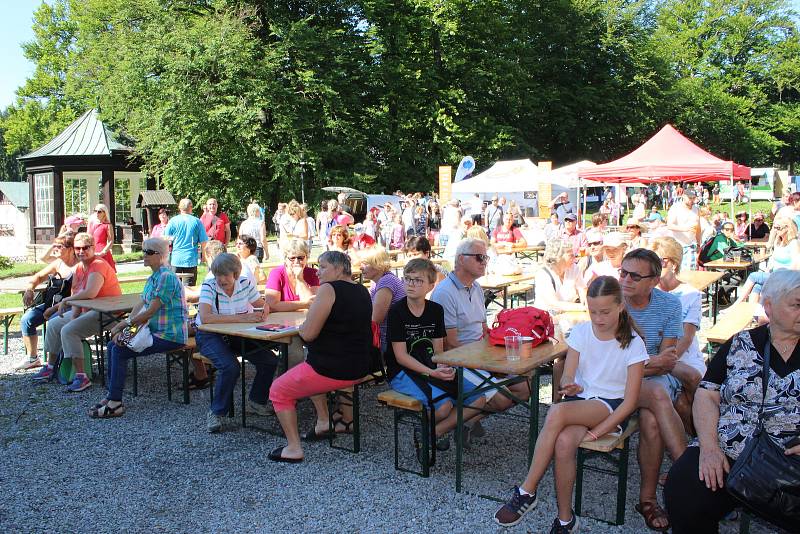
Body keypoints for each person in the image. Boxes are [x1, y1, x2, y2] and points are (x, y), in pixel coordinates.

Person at [494, 276, 648, 531]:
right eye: (593, 311)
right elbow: (567, 374)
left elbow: (630, 402)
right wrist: (569, 384)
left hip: (610, 407)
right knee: (564, 443)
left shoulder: (633, 343)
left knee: (555, 412)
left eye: (605, 312)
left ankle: (527, 490)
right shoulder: (581, 331)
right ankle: (566, 519)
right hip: (581, 402)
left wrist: (601, 430)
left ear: (621, 306)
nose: (598, 318)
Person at [664, 270, 800, 533]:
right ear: (769, 307)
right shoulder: (740, 344)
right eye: (797, 305)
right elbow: (706, 393)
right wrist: (709, 447)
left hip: (790, 459)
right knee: (684, 490)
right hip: (731, 449)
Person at [267, 251, 372, 462]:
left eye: (323, 267)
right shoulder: (362, 289)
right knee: (307, 367)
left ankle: (293, 448)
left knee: (278, 390)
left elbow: (308, 333)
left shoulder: (328, 289)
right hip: (361, 366)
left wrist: (303, 327)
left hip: (334, 369)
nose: (317, 271)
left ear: (339, 268)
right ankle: (324, 421)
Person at [431, 238, 529, 437]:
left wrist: (495, 358)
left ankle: (465, 423)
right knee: (502, 399)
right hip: (458, 360)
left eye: (485, 257)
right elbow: (450, 344)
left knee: (525, 387)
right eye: (479, 257)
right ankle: (445, 428)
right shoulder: (444, 293)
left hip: (479, 356)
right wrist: (487, 364)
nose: (484, 261)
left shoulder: (476, 288)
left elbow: (484, 330)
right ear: (460, 260)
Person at [387, 258, 487, 450]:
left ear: (431, 286)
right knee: (443, 407)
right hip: (402, 371)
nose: (411, 284)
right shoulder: (397, 311)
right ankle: (429, 432)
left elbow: (438, 350)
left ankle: (431, 434)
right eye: (407, 279)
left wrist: (442, 367)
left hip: (430, 364)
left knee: (478, 398)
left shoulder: (434, 310)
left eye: (418, 280)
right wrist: (433, 372)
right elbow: (400, 357)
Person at [619, 248, 684, 531]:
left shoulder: (669, 305)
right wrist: (649, 362)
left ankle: (647, 500)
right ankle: (691, 476)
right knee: (657, 398)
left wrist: (640, 365)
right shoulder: (613, 300)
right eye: (623, 272)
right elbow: (610, 362)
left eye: (634, 275)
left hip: (651, 378)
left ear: (654, 281)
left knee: (651, 418)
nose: (625, 280)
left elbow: (668, 361)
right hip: (618, 383)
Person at [89, 238, 188, 418]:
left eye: (148, 252)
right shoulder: (154, 277)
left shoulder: (166, 277)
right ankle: (113, 395)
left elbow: (150, 311)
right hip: (153, 331)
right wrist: (126, 327)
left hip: (170, 335)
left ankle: (115, 403)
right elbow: (141, 304)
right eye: (144, 251)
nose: (144, 255)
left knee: (119, 350)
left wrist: (124, 325)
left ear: (160, 256)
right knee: (113, 346)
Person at [33, 233, 122, 392]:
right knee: (54, 324)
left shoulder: (98, 264)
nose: (81, 251)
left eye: (85, 248)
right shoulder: (79, 268)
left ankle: (82, 377)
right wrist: (70, 312)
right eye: (77, 248)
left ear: (93, 248)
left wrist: (65, 302)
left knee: (69, 331)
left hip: (107, 313)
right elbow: (76, 295)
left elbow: (90, 292)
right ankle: (50, 367)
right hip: (88, 311)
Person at [195, 253, 273, 433]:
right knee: (230, 367)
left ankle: (256, 401)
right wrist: (244, 318)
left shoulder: (245, 283)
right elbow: (205, 318)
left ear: (236, 274)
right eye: (218, 275)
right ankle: (216, 412)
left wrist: (262, 312)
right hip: (209, 335)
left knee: (269, 360)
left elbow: (262, 304)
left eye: (225, 275)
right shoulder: (209, 286)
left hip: (237, 334)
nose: (221, 279)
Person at [650, 237, 708, 434]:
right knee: (680, 402)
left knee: (692, 379)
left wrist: (666, 359)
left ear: (672, 263)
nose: (653, 266)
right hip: (656, 355)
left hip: (684, 356)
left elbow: (686, 338)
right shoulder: (647, 292)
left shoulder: (691, 294)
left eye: (659, 260)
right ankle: (695, 436)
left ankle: (700, 428)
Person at [16, 234, 79, 370]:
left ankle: (55, 362)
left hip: (67, 306)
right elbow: (38, 276)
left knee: (54, 322)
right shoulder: (58, 263)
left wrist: (54, 308)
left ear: (70, 249)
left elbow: (77, 296)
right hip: (50, 303)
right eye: (54, 245)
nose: (54, 249)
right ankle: (32, 358)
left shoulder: (79, 266)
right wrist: (29, 289)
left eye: (58, 246)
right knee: (27, 319)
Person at [734, 217, 800, 305]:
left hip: (786, 278)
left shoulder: (794, 243)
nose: (776, 230)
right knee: (757, 285)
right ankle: (753, 313)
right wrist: (767, 270)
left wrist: (787, 279)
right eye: (775, 227)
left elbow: (796, 264)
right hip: (774, 274)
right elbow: (772, 259)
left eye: (778, 228)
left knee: (753, 276)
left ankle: (736, 305)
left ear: (787, 228)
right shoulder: (778, 241)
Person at [358, 246, 406, 352]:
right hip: (390, 337)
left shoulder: (386, 281)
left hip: (390, 340)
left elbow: (376, 319)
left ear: (378, 264)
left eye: (365, 263)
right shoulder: (379, 281)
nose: (361, 267)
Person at [264, 239, 319, 312]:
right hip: (281, 320)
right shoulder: (276, 273)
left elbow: (314, 305)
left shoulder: (314, 274)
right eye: (292, 258)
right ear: (285, 259)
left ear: (307, 257)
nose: (297, 261)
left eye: (300, 258)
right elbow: (271, 305)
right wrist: (304, 304)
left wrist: (300, 279)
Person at [164, 198, 208, 286]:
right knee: (189, 288)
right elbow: (203, 242)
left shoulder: (173, 221)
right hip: (190, 259)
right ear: (191, 207)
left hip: (176, 259)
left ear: (179, 208)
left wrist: (165, 257)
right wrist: (204, 256)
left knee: (175, 287)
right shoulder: (197, 222)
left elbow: (165, 240)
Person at [534, 238, 586, 313]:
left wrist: (586, 303)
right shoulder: (543, 274)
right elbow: (553, 304)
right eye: (571, 255)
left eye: (574, 255)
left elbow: (583, 290)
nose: (574, 258)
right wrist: (582, 307)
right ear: (558, 257)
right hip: (546, 319)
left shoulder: (574, 268)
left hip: (569, 317)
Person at [666, 191, 701, 271]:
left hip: (691, 245)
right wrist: (685, 229)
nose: (691, 200)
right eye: (689, 198)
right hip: (677, 245)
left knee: (689, 271)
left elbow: (698, 228)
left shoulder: (696, 209)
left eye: (693, 198)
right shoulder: (675, 208)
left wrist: (699, 244)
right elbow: (670, 225)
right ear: (683, 196)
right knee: (675, 271)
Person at [88, 203, 116, 271]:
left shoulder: (108, 225)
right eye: (95, 211)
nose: (97, 213)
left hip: (103, 252)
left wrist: (103, 252)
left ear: (104, 213)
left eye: (99, 211)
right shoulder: (93, 224)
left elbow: (111, 241)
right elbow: (88, 237)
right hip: (92, 251)